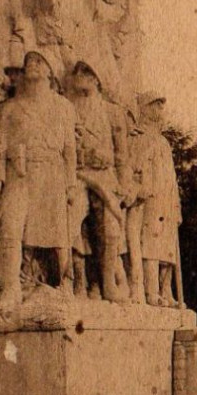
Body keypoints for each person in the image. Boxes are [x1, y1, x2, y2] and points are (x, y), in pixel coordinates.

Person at [0, 51, 77, 315]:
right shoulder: (11, 108)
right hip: (20, 174)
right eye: (29, 63)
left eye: (39, 61)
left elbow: (70, 149)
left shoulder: (63, 107)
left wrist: (70, 184)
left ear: (50, 70)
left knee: (57, 236)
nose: (32, 65)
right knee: (10, 229)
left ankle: (62, 285)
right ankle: (10, 288)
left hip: (52, 174)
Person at [66, 61, 126, 301]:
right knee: (74, 224)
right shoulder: (68, 108)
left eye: (86, 73)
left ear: (96, 80)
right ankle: (79, 281)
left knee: (110, 232)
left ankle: (107, 282)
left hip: (105, 174)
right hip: (79, 174)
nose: (80, 76)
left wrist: (125, 183)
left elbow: (122, 155)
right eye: (77, 73)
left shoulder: (113, 112)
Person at [127, 92, 181, 306]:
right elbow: (134, 167)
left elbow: (172, 178)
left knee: (168, 246)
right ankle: (151, 291)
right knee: (151, 244)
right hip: (150, 197)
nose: (160, 110)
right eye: (156, 105)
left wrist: (177, 204)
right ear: (146, 108)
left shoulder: (164, 142)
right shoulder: (138, 137)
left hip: (167, 199)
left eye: (161, 105)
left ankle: (166, 290)